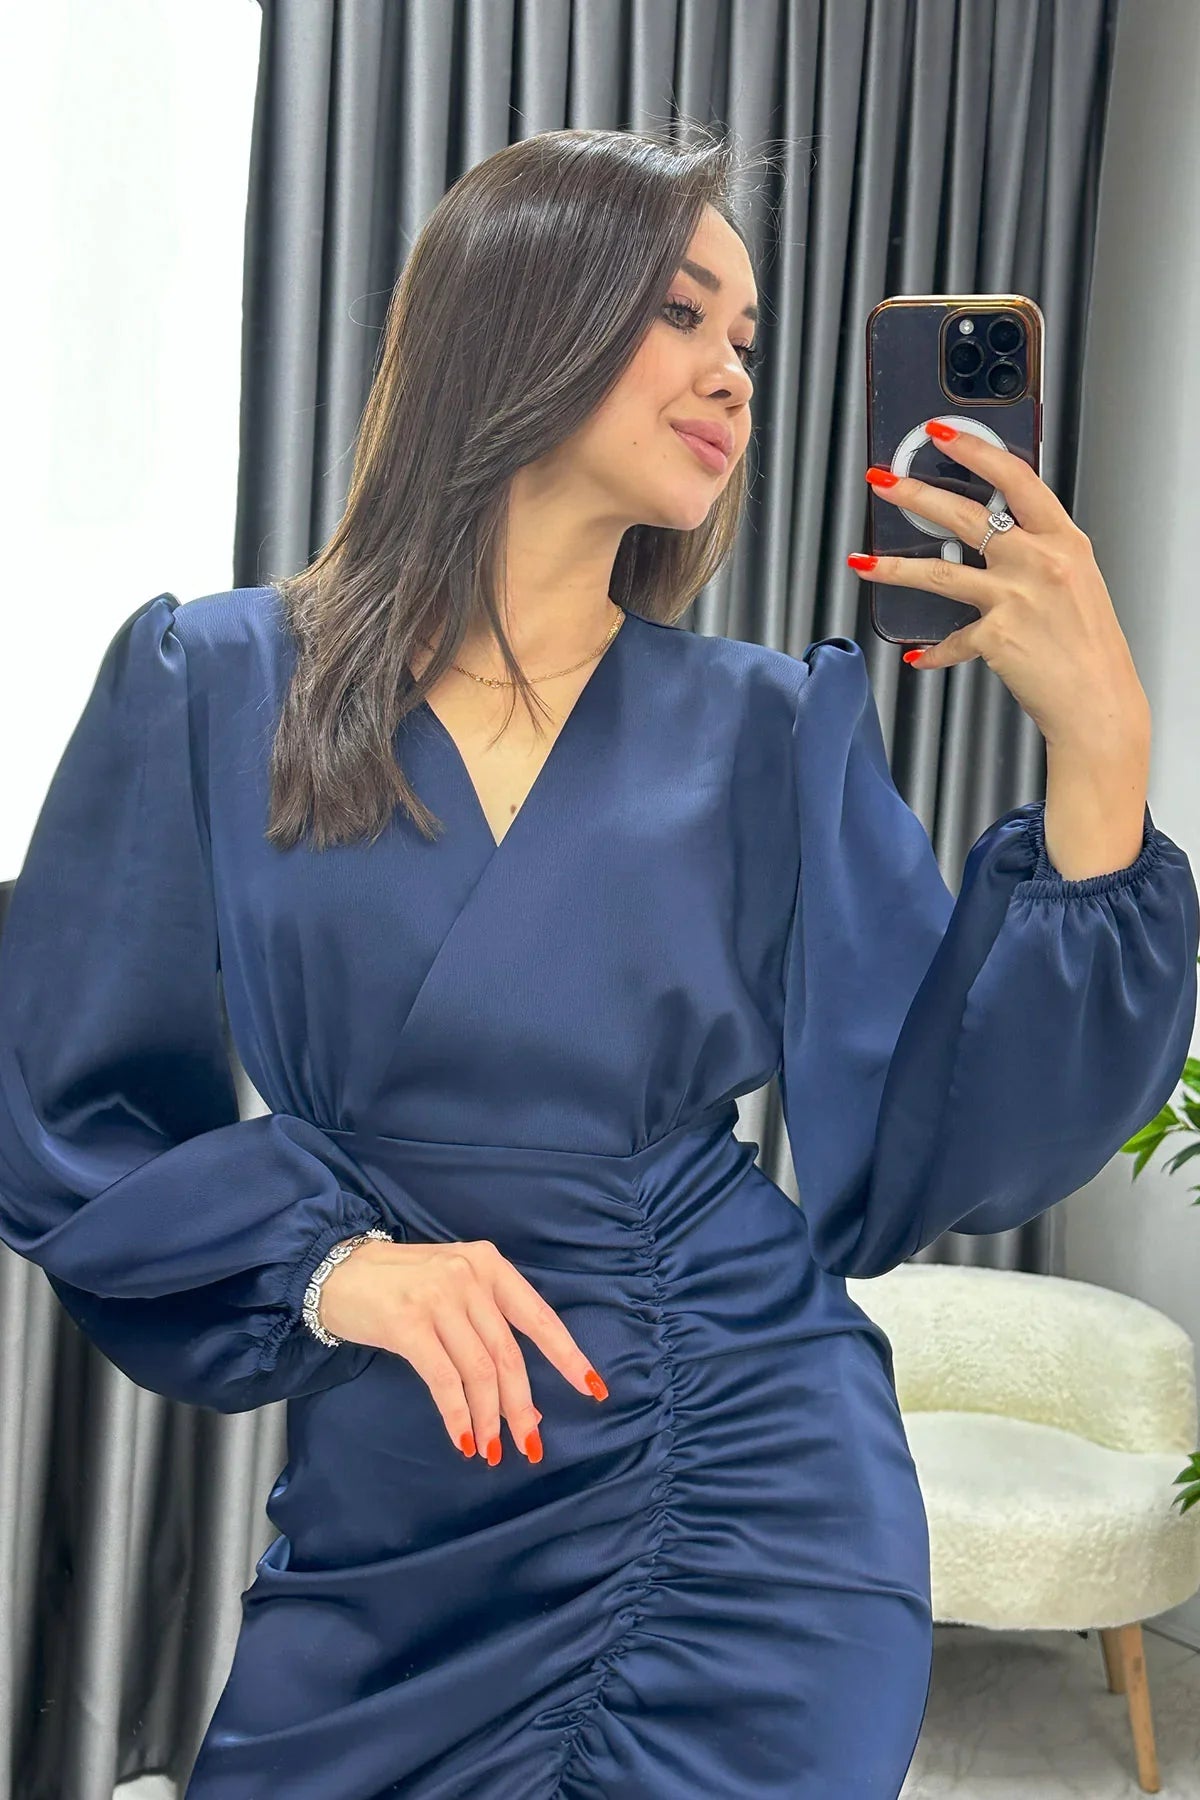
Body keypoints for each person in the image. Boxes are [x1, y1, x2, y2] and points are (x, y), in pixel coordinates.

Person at [0, 126, 1196, 1800]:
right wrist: (335, 1266)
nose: (733, 375)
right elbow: (67, 1112)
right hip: (402, 1497)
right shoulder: (210, 680)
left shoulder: (774, 727)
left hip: (741, 1481)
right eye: (682, 313)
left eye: (749, 342)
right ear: (523, 307)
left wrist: (1103, 752)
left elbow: (951, 1137)